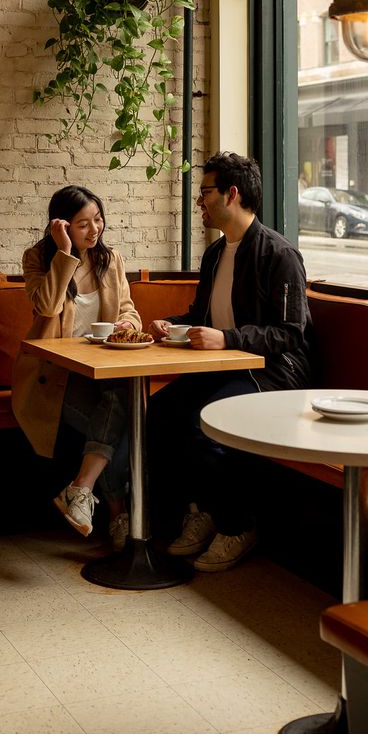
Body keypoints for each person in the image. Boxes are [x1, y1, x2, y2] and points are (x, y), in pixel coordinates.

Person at [147, 152, 313, 572]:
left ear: (231, 194)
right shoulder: (214, 255)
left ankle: (238, 526)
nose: (199, 202)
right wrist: (175, 326)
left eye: (205, 192)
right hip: (223, 368)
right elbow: (205, 317)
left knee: (207, 427)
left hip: (273, 372)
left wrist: (229, 339)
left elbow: (291, 333)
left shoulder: (280, 254)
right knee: (161, 413)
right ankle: (202, 510)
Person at [12, 184, 142, 551]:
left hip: (103, 373)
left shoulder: (110, 259)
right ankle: (118, 515)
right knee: (122, 426)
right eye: (83, 224)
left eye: (97, 219)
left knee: (121, 402)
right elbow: (47, 307)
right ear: (62, 226)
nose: (94, 230)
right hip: (53, 377)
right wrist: (65, 254)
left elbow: (129, 308)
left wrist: (127, 325)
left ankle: (81, 490)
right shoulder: (38, 258)